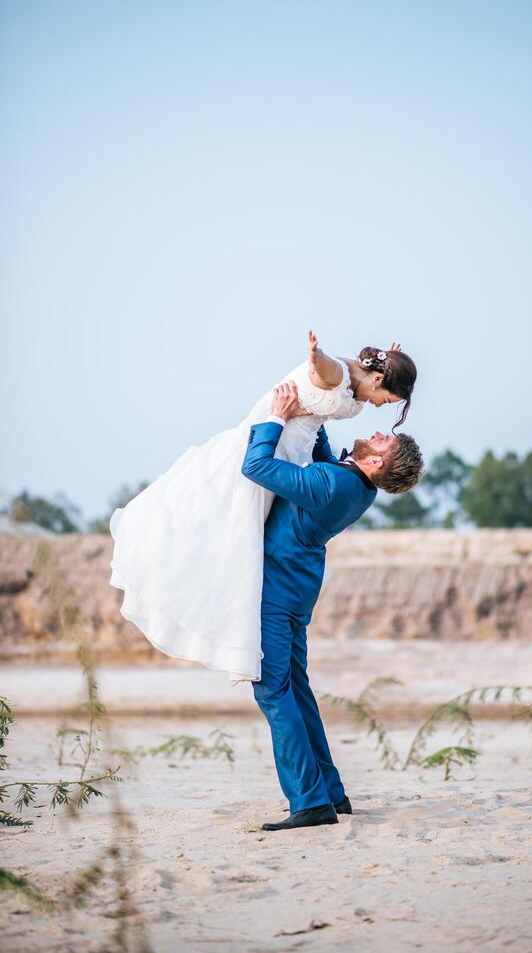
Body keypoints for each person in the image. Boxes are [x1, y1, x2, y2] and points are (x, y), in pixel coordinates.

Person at [110, 332, 417, 682]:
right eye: (385, 398)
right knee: (226, 519)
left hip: (279, 442)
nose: (379, 407)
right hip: (276, 442)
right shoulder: (354, 482)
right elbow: (327, 380)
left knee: (237, 533)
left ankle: (228, 625)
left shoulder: (339, 480)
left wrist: (291, 415)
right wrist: (314, 369)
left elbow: (279, 461)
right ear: (377, 377)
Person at [242, 379, 424, 830]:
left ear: (378, 460)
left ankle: (309, 802)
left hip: (279, 593)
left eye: (385, 438)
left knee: (272, 690)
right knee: (295, 689)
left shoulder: (334, 485)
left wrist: (276, 420)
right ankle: (331, 793)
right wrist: (317, 415)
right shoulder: (354, 485)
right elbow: (326, 461)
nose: (379, 432)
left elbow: (256, 466)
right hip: (296, 590)